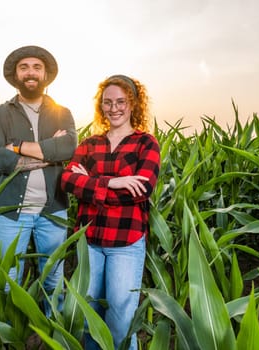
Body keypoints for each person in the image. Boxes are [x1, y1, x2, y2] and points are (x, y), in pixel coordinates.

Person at [61, 75, 160, 349]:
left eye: (121, 102)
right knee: (89, 313)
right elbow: (68, 180)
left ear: (133, 104)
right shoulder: (90, 144)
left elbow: (141, 190)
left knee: (119, 316)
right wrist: (114, 182)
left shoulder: (145, 144)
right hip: (90, 240)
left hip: (126, 242)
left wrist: (91, 184)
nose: (114, 108)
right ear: (101, 106)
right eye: (108, 103)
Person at [0, 45, 77, 316]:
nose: (30, 72)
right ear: (16, 75)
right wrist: (47, 153)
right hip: (11, 212)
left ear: (45, 74)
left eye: (36, 67)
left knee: (54, 280)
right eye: (24, 67)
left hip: (53, 210)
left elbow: (68, 148)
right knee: (9, 281)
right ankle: (13, 334)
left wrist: (16, 147)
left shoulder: (62, 112)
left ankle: (53, 334)